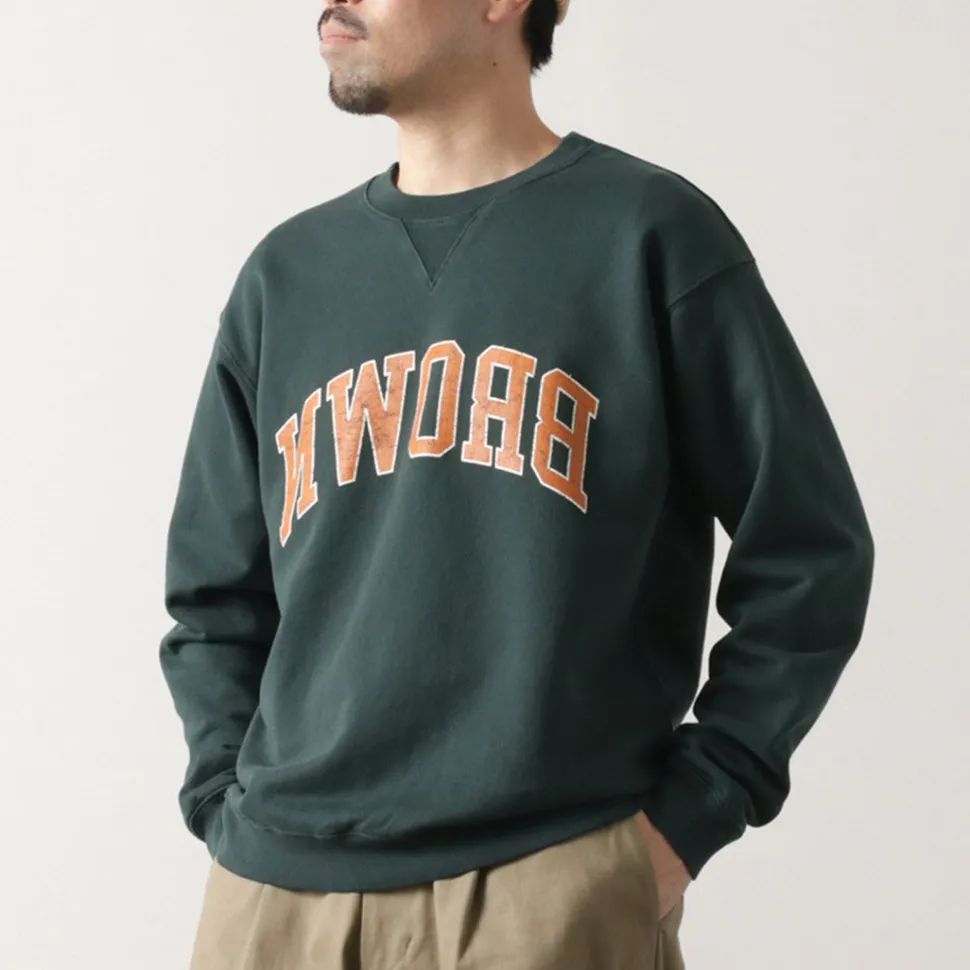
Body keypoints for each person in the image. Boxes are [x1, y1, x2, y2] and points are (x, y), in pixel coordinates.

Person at [159, 1, 876, 967]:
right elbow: (213, 597)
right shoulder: (286, 275)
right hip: (275, 896)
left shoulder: (646, 234)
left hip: (545, 880)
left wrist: (690, 817)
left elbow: (809, 553)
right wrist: (222, 803)